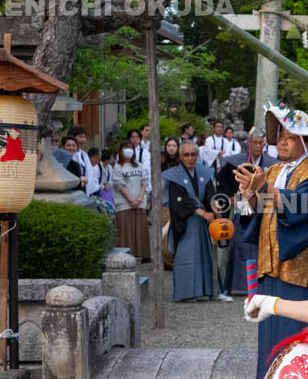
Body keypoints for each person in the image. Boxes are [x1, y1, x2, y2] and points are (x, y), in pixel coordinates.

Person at [235, 102, 308, 379]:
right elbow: (252, 213)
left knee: (292, 340)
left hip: (298, 269)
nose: (281, 140)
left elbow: (305, 207)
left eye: (290, 136)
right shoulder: (271, 171)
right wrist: (246, 194)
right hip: (270, 266)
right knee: (269, 338)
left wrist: (263, 188)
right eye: (280, 134)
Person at [218, 128, 278, 295]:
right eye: (255, 142)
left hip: (263, 206)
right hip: (241, 204)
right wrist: (230, 199)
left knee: (262, 243)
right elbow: (223, 186)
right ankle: (238, 284)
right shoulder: (234, 162)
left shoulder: (272, 164)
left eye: (261, 143)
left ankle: (261, 283)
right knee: (240, 243)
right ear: (248, 144)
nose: (258, 146)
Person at [163, 141, 221, 301]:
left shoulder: (205, 172)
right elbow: (179, 201)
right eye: (186, 155)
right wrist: (203, 213)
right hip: (186, 222)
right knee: (186, 256)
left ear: (198, 155)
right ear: (180, 157)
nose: (190, 158)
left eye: (193, 154)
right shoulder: (174, 175)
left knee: (204, 255)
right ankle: (185, 293)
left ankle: (205, 290)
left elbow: (210, 194)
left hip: (202, 224)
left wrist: (214, 204)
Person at [112, 142, 151, 261]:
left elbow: (144, 182)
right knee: (125, 229)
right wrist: (130, 199)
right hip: (124, 203)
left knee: (140, 229)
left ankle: (142, 254)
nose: (128, 150)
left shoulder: (139, 165)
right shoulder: (118, 167)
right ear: (120, 151)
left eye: (130, 148)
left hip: (139, 202)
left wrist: (139, 198)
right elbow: (119, 184)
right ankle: (126, 256)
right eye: (125, 148)